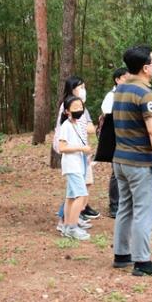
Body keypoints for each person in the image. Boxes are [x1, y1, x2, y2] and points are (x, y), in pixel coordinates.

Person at [112, 45, 152, 277]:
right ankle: (142, 261)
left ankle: (121, 255)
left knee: (125, 208)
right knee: (144, 211)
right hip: (139, 164)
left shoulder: (120, 89)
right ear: (146, 68)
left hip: (120, 161)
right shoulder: (145, 94)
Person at [54, 76, 99, 221]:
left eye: (84, 87)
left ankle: (73, 217)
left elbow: (90, 128)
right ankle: (69, 221)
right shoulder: (68, 112)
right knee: (77, 191)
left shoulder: (80, 105)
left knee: (79, 188)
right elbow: (63, 143)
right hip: (74, 155)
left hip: (81, 154)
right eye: (81, 87)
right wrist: (81, 148)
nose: (84, 90)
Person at [58, 95, 93, 240]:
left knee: (71, 197)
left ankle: (67, 226)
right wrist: (81, 148)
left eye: (80, 107)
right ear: (67, 111)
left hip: (79, 164)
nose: (79, 109)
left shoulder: (77, 124)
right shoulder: (66, 125)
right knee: (81, 195)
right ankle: (72, 227)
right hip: (72, 165)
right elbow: (62, 147)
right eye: (75, 107)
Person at [96, 67, 129, 218]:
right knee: (116, 172)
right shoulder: (111, 96)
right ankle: (114, 205)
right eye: (125, 77)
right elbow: (108, 113)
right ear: (117, 79)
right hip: (115, 138)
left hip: (129, 138)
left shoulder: (130, 93)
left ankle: (126, 204)